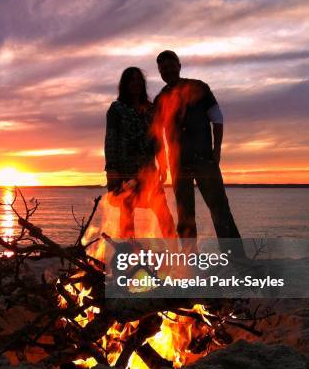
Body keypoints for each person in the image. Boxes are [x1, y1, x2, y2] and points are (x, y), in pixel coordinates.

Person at [153, 50, 242, 247]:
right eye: (163, 69)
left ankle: (237, 261)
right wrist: (163, 163)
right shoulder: (160, 99)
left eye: (170, 66)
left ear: (179, 66)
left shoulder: (199, 88)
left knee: (220, 210)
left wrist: (216, 150)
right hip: (179, 164)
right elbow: (157, 133)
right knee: (185, 216)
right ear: (160, 72)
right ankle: (189, 265)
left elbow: (217, 119)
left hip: (204, 160)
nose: (167, 71)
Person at [104, 67, 176, 239]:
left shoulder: (151, 109)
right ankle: (129, 256)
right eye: (131, 79)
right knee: (127, 213)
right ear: (125, 84)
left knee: (163, 212)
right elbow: (110, 139)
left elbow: (158, 138)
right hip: (125, 170)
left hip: (148, 170)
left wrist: (163, 163)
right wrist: (111, 168)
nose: (135, 83)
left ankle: (176, 255)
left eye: (138, 79)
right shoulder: (116, 109)